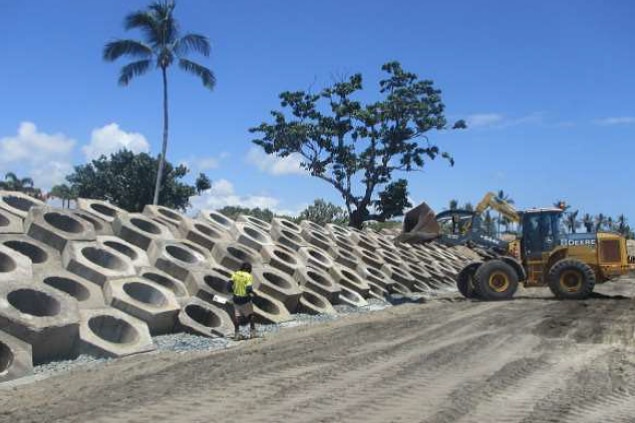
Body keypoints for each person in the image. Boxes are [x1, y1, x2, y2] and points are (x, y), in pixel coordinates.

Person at [226, 262, 257, 340]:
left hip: (236, 299)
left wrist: (233, 292)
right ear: (249, 269)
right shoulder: (248, 276)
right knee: (251, 315)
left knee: (237, 316)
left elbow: (228, 285)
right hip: (245, 299)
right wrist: (253, 293)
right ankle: (252, 333)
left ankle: (237, 334)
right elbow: (248, 289)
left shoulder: (235, 274)